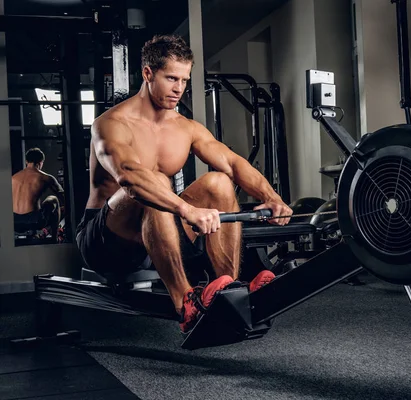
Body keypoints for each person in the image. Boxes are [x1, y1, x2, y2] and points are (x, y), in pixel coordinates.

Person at [76, 34, 293, 334]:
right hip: (107, 241)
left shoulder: (185, 128)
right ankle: (185, 305)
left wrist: (272, 197)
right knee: (155, 181)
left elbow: (231, 162)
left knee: (218, 181)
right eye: (171, 78)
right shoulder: (111, 123)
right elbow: (128, 176)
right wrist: (185, 209)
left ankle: (227, 289)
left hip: (158, 231)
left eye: (184, 80)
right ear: (148, 73)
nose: (179, 88)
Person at [12, 147, 64, 242]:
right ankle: (54, 238)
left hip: (14, 223)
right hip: (34, 222)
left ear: (26, 161)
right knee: (53, 199)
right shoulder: (45, 177)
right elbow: (63, 196)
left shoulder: (13, 178)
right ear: (41, 162)